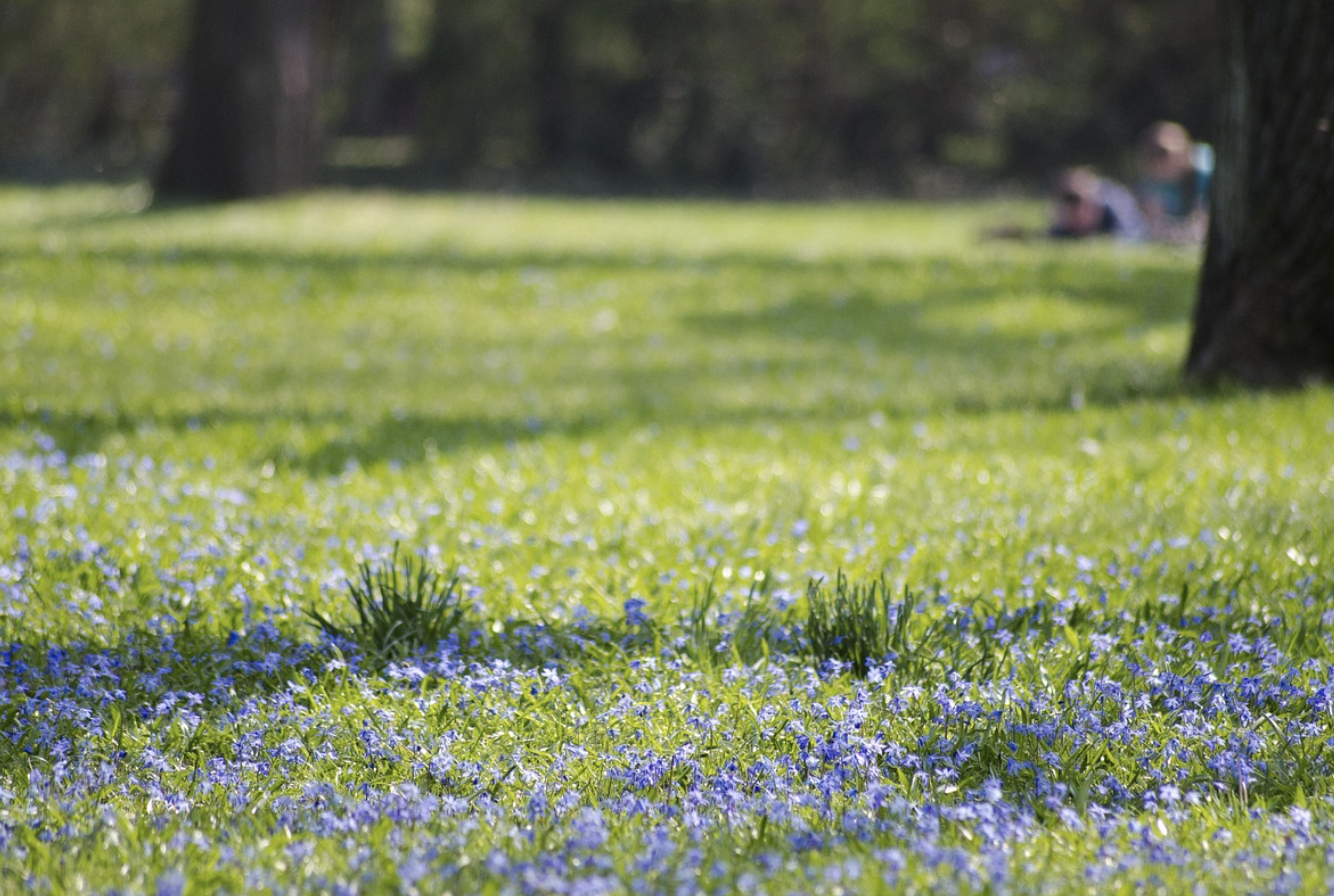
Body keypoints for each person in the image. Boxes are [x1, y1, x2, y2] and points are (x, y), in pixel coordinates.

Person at [1137, 121, 1212, 243]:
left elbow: (1203, 220)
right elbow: (1153, 225)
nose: (1159, 172)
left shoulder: (1206, 169)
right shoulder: (1158, 180)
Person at [1048, 166, 1148, 241]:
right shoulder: (1064, 221)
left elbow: (1132, 238)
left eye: (1083, 207)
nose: (1077, 215)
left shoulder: (1113, 211)